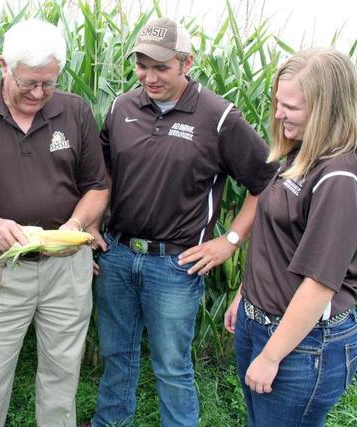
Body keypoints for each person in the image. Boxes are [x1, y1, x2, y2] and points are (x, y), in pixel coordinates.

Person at [88, 17, 278, 427]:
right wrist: (90, 229)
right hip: (118, 255)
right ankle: (111, 421)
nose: (149, 77)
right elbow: (102, 175)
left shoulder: (219, 117)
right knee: (116, 356)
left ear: (187, 63)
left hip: (175, 266)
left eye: (161, 67)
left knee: (172, 367)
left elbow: (266, 183)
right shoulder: (122, 107)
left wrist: (230, 239)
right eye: (142, 65)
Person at [0, 19, 109, 427]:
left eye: (48, 83)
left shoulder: (75, 111)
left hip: (67, 270)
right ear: (3, 66)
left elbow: (98, 186)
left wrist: (76, 223)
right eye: (28, 83)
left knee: (62, 378)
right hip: (0, 269)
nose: (38, 93)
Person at [224, 48, 357, 426]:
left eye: (291, 106)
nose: (278, 114)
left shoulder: (340, 180)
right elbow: (275, 241)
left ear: (327, 109)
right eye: (278, 102)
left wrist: (272, 355)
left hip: (305, 345)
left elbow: (319, 285)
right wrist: (245, 297)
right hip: (258, 322)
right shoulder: (297, 155)